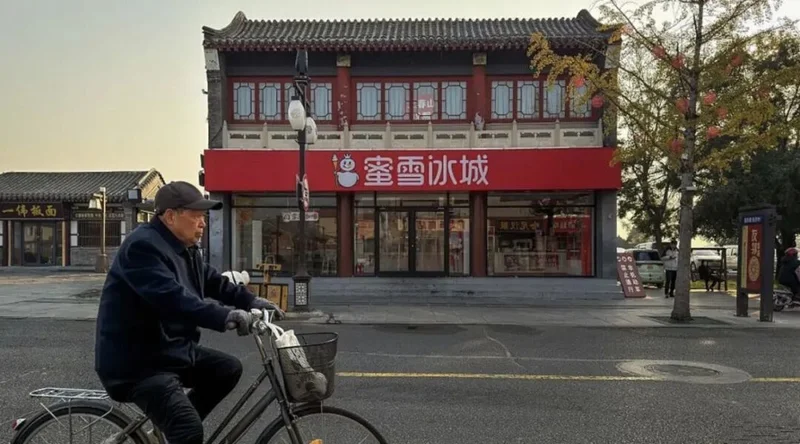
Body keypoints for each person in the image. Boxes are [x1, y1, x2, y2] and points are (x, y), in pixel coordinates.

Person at [94, 181, 284, 444]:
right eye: (196, 216)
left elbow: (214, 282)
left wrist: (252, 301)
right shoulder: (142, 247)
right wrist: (226, 316)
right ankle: (178, 430)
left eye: (204, 216)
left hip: (169, 352)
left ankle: (166, 431)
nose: (203, 223)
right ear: (171, 216)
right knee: (188, 429)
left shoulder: (185, 248)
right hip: (138, 364)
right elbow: (174, 299)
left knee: (227, 369)